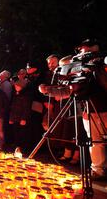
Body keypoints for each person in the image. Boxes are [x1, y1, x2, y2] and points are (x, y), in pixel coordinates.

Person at [39, 39, 107, 179]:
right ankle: (98, 170)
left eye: (84, 49)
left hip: (103, 107)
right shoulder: (79, 71)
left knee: (97, 142)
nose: (81, 53)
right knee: (94, 142)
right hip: (89, 111)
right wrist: (48, 90)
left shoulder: (100, 65)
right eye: (81, 50)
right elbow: (68, 90)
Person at [9, 79, 33, 156]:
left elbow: (26, 108)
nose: (15, 87)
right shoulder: (15, 94)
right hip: (15, 117)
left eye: (17, 86)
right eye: (15, 86)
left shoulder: (25, 95)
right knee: (16, 133)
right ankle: (17, 148)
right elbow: (13, 106)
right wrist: (11, 118)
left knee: (22, 134)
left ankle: (22, 149)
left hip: (21, 118)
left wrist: (24, 118)